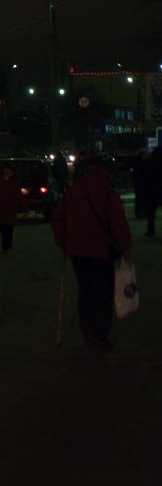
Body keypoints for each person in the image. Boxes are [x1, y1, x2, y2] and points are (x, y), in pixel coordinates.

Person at [52, 155, 132, 350]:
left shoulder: (73, 190)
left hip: (78, 252)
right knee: (103, 293)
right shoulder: (107, 190)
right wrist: (125, 248)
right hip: (101, 250)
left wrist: (65, 244)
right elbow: (118, 222)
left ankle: (87, 331)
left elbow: (58, 221)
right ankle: (100, 334)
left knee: (85, 291)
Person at [0, 163, 24, 253]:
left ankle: (7, 246)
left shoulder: (14, 181)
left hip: (10, 208)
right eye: (6, 170)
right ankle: (6, 246)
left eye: (9, 170)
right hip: (0, 208)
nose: (8, 172)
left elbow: (19, 195)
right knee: (3, 228)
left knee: (9, 229)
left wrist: (23, 208)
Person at [141, 146, 162, 238]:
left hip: (153, 191)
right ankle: (150, 230)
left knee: (151, 212)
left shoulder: (151, 162)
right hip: (159, 189)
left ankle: (150, 230)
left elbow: (147, 177)